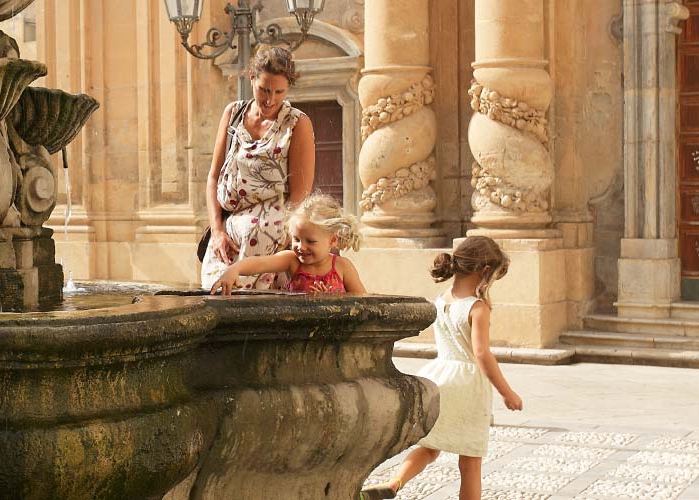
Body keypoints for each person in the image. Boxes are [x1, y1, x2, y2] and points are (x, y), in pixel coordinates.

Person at [360, 236, 523, 500]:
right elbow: (481, 354)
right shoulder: (477, 307)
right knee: (470, 462)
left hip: (439, 378)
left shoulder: (441, 300)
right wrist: (507, 392)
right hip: (468, 387)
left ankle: (393, 483)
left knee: (430, 446)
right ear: (484, 271)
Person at [200, 46, 315, 291]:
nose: (270, 99)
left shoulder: (297, 123)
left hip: (269, 232)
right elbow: (213, 177)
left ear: (288, 89)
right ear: (251, 78)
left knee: (245, 303)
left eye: (279, 92)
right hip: (229, 228)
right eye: (264, 89)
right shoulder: (233, 113)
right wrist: (218, 231)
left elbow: (300, 194)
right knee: (212, 293)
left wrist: (285, 238)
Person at [208, 193, 365, 295]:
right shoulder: (293, 261)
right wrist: (234, 270)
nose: (301, 247)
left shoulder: (342, 267)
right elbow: (260, 263)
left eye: (310, 241)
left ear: (332, 240)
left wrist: (337, 301)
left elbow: (365, 301)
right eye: (296, 239)